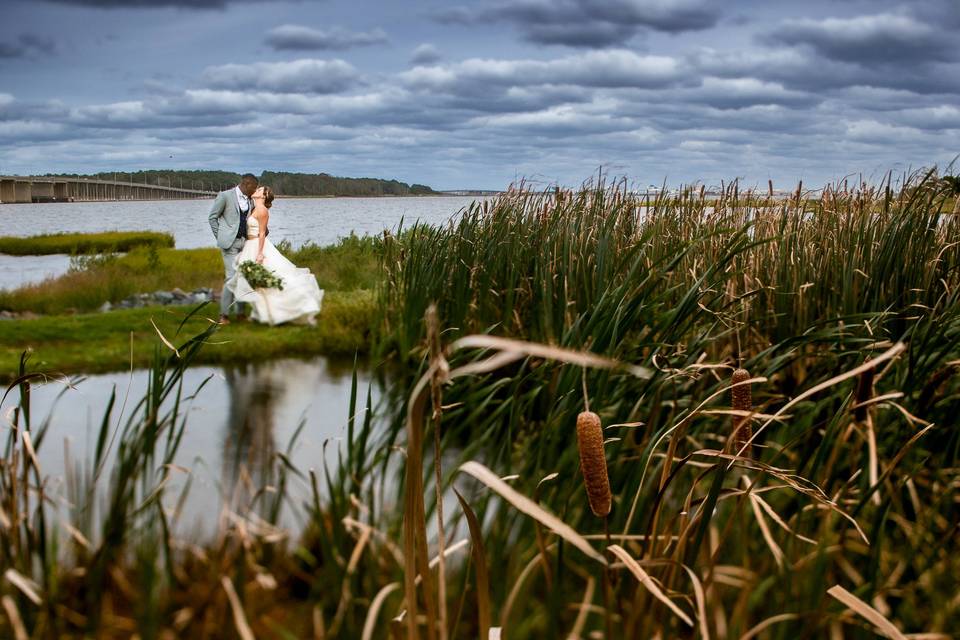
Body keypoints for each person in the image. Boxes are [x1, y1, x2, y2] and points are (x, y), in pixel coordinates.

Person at [228, 186, 324, 325]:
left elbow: (262, 233)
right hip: (250, 245)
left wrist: (260, 253)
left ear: (264, 195)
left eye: (260, 190)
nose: (256, 190)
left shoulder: (262, 211)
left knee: (265, 279)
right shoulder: (254, 208)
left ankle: (283, 309)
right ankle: (262, 313)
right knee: (255, 280)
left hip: (257, 246)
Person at [208, 174, 258, 324]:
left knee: (244, 277)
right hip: (229, 244)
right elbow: (212, 218)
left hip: (245, 243)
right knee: (231, 278)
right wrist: (220, 236)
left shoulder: (251, 200)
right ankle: (223, 315)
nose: (255, 191)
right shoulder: (225, 196)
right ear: (247, 184)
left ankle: (241, 313)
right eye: (254, 187)